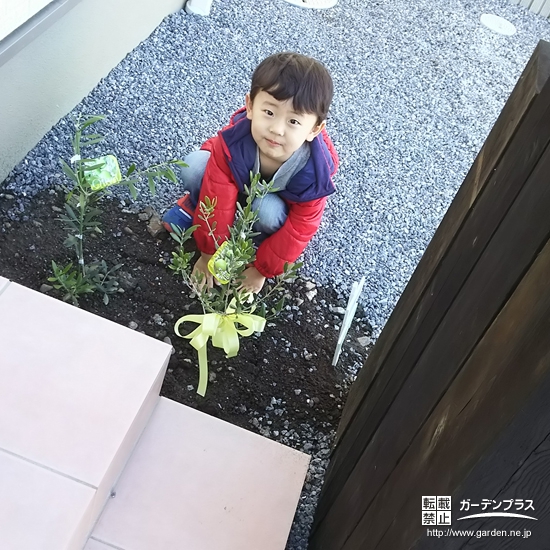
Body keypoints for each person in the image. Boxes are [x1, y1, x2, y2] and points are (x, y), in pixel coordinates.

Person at [163, 51, 339, 293]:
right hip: (232, 186)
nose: (277, 129)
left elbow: (300, 229)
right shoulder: (233, 143)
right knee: (195, 167)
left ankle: (253, 241)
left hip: (271, 204)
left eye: (294, 122)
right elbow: (216, 192)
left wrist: (261, 270)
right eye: (269, 112)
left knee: (265, 211)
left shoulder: (314, 175)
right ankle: (193, 207)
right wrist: (207, 253)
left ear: (314, 129)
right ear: (250, 106)